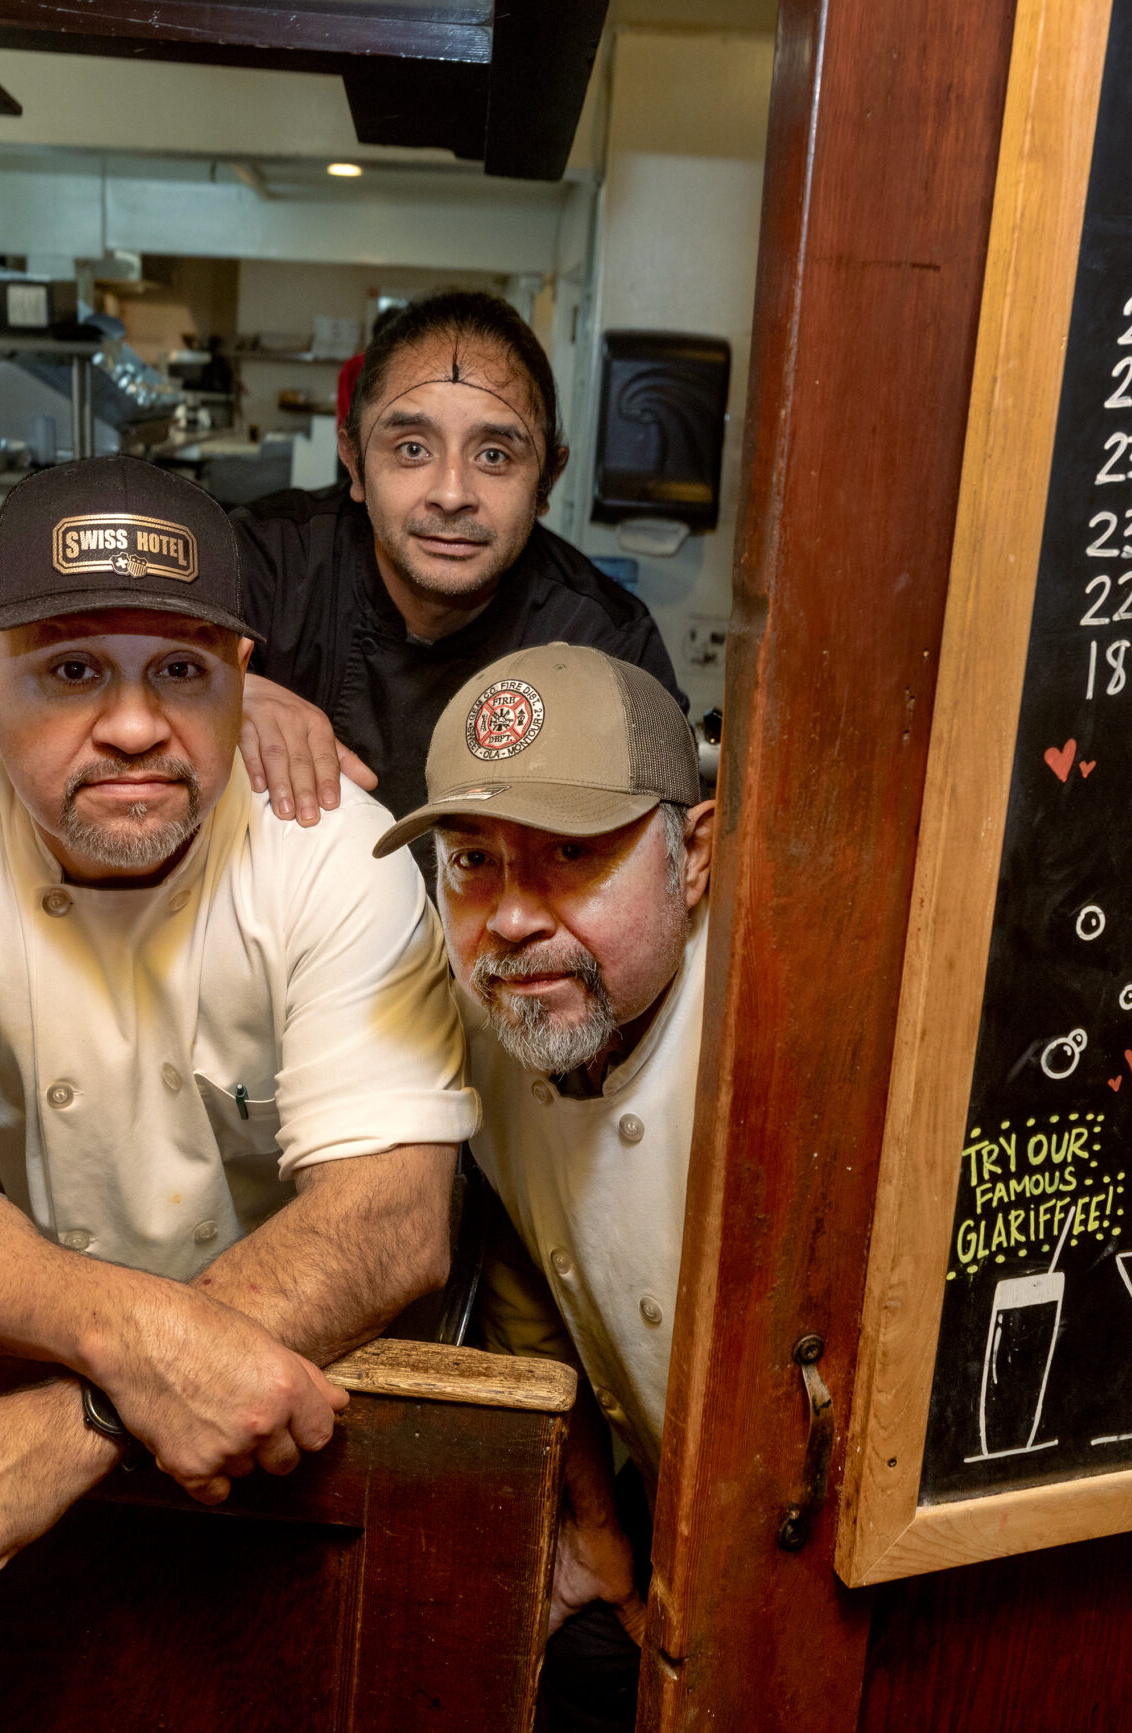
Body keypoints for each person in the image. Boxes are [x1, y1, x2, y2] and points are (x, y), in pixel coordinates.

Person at [0, 456, 479, 1601]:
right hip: (40, 1361)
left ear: (241, 676)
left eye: (179, 670)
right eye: (69, 671)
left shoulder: (333, 850)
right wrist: (140, 1351)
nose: (133, 727)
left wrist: (82, 1421)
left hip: (307, 1413)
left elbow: (396, 1220)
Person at [371, 644, 714, 1731]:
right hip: (653, 1511)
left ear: (694, 855)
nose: (511, 919)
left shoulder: (771, 1022)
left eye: (572, 851)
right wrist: (597, 1515)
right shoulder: (479, 1018)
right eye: (473, 860)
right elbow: (524, 1272)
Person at [231, 290, 687, 830]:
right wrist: (217, 692)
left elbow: (660, 856)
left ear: (547, 480)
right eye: (412, 449)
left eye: (494, 456)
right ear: (353, 463)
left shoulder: (608, 643)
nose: (451, 494)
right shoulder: (262, 564)